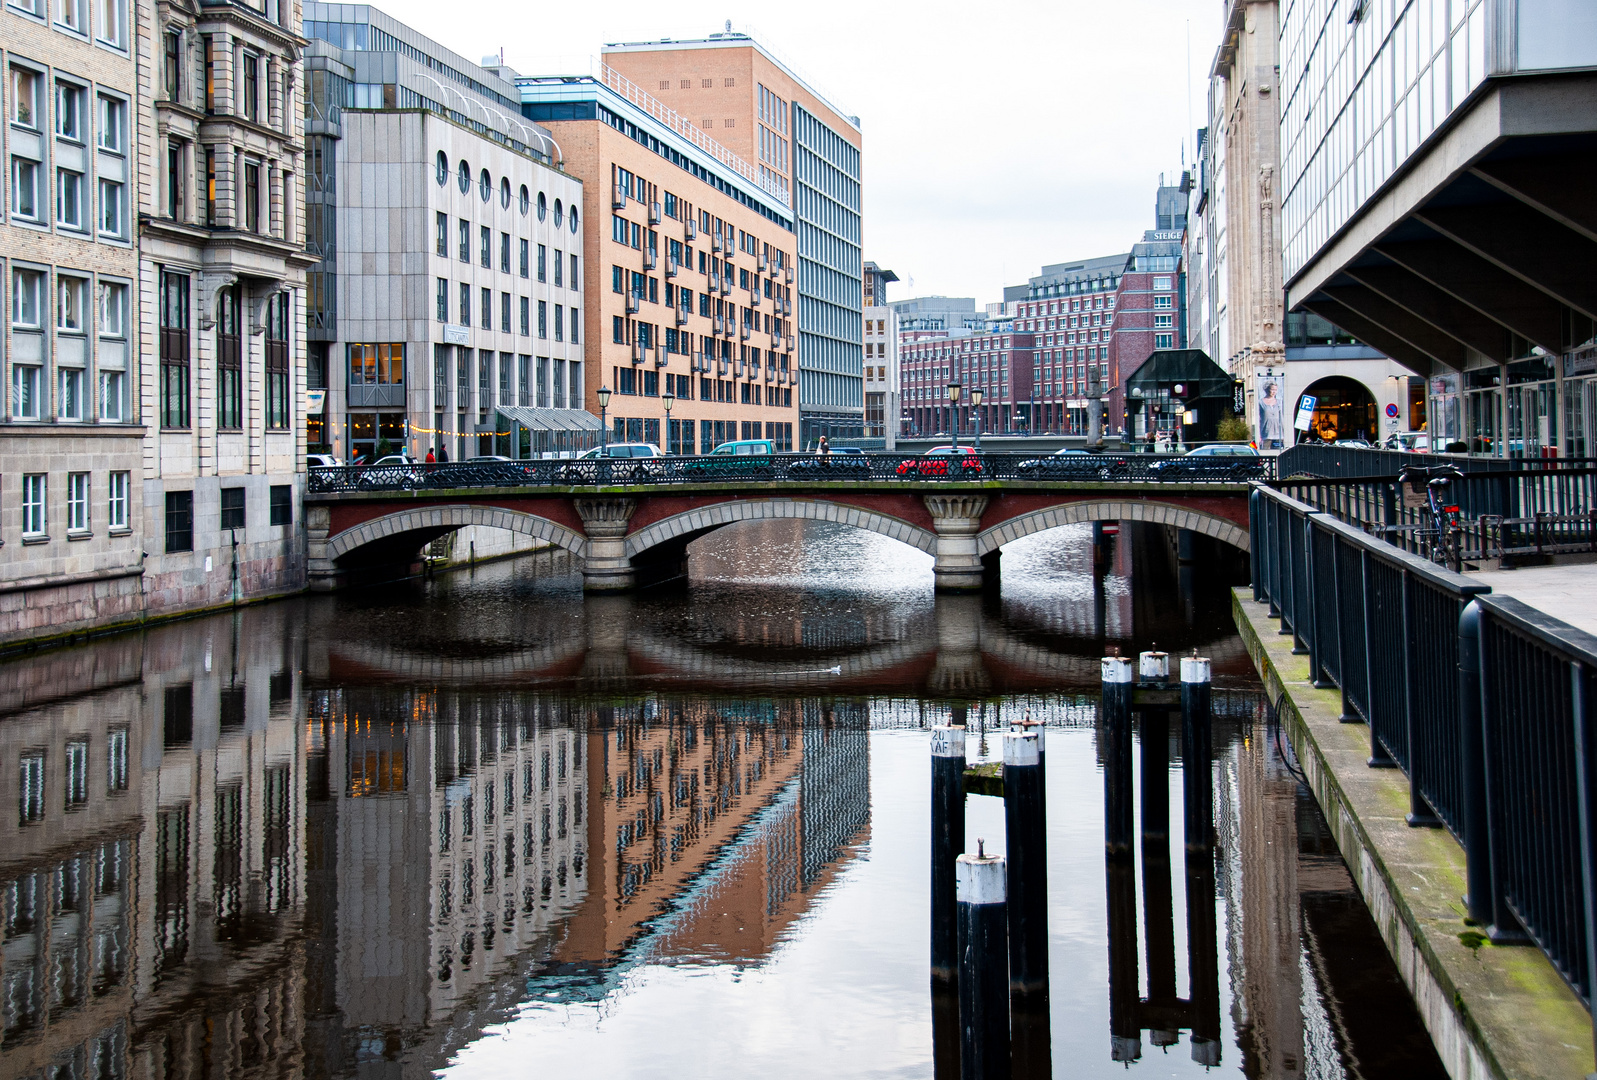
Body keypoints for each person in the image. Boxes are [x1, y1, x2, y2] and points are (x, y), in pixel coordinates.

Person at [1258, 380, 1286, 449]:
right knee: (1265, 453)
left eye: (1275, 390)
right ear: (1267, 389)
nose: (1274, 392)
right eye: (1272, 389)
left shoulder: (1280, 402)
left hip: (1279, 434)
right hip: (1266, 434)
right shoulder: (1260, 402)